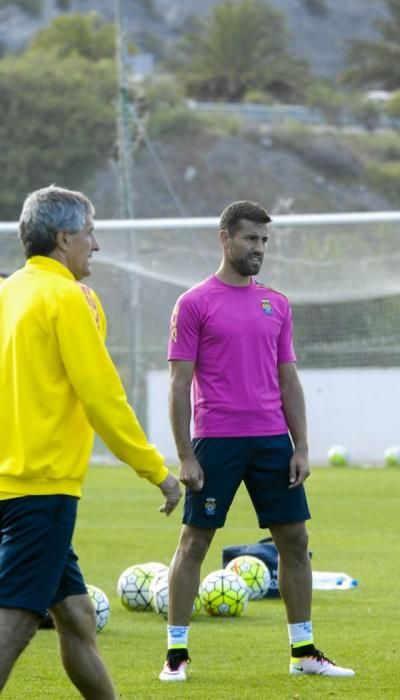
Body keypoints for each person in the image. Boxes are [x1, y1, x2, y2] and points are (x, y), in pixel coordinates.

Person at [159, 200, 354, 681]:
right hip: (217, 441)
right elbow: (179, 384)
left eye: (264, 240)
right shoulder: (194, 303)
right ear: (224, 239)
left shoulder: (277, 303)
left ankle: (303, 652)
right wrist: (185, 453)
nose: (259, 248)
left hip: (272, 441)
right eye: (251, 239)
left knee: (296, 541)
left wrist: (301, 445)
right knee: (194, 543)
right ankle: (176, 655)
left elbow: (289, 380)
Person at [0, 185, 182, 698]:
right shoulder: (68, 298)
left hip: (11, 484)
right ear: (64, 239)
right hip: (42, 488)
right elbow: (103, 398)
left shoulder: (9, 290)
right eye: (89, 233)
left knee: (77, 616)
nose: (95, 245)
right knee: (14, 620)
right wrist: (157, 471)